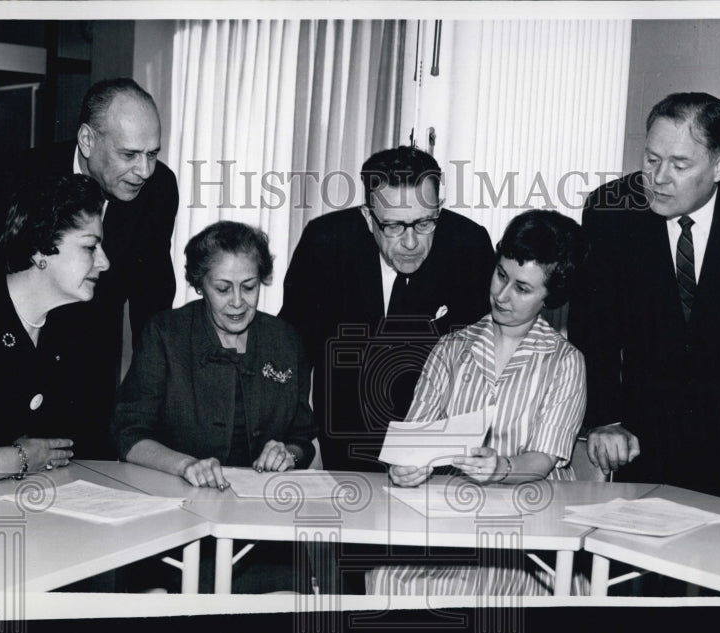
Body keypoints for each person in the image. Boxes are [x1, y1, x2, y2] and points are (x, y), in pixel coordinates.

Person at [568, 92, 720, 498]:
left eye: (680, 164)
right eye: (651, 159)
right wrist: (605, 419)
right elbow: (592, 328)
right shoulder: (610, 212)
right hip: (644, 434)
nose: (658, 177)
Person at [0, 77, 179, 460]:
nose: (145, 170)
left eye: (153, 153)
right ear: (87, 140)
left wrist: (150, 404)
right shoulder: (18, 176)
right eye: (130, 154)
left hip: (87, 364)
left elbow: (153, 298)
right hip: (3, 358)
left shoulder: (159, 189)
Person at [373, 209, 589, 595]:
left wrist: (501, 467)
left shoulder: (565, 361)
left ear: (550, 297)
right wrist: (405, 467)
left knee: (491, 595)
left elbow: (543, 460)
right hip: (454, 519)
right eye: (501, 275)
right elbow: (414, 441)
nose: (502, 296)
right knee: (387, 577)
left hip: (533, 530)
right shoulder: (451, 347)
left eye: (522, 288)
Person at [112, 221, 316, 592]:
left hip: (262, 530)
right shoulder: (165, 334)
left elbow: (302, 436)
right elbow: (128, 434)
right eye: (222, 288)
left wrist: (287, 453)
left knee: (288, 602)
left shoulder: (285, 339)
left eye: (249, 287)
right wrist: (185, 465)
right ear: (199, 285)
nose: (237, 302)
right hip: (174, 523)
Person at [279, 146, 495, 474]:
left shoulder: (468, 246)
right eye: (393, 226)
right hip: (349, 442)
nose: (410, 243)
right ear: (369, 218)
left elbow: (483, 356)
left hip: (438, 447)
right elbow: (292, 350)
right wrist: (291, 440)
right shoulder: (325, 244)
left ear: (439, 208)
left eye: (424, 223)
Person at [0, 175, 110, 491]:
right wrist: (21, 458)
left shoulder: (72, 335)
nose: (104, 262)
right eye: (90, 247)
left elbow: (74, 445)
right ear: (40, 250)